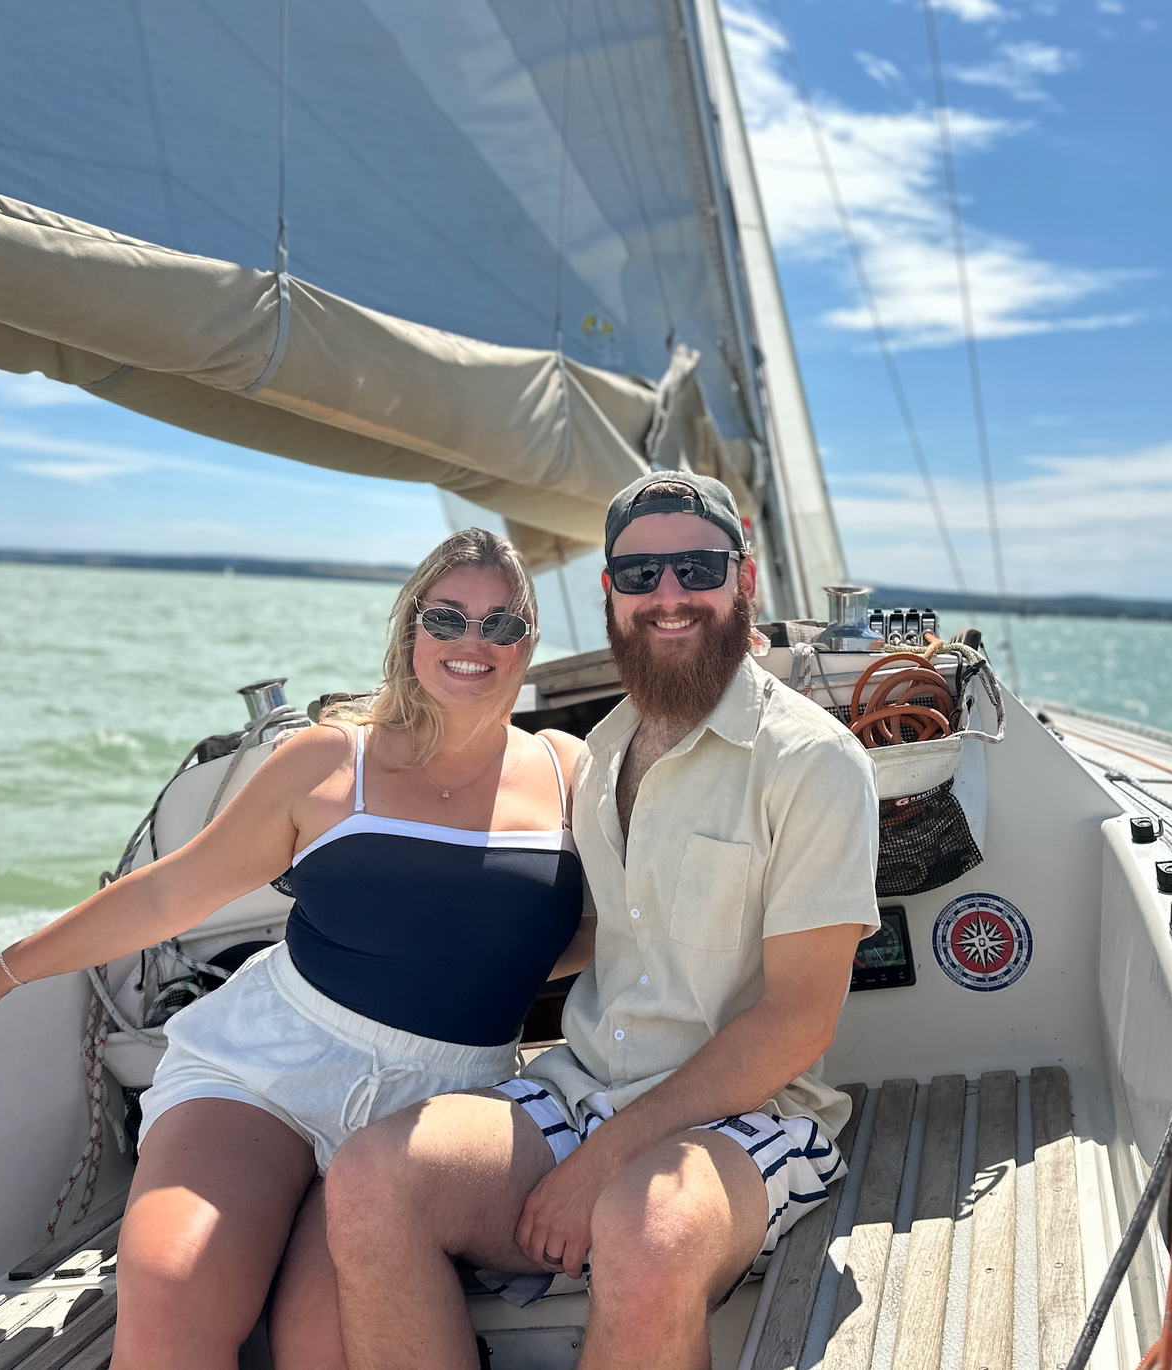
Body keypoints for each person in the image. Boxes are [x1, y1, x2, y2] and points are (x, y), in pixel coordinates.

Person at [0, 528, 593, 1370]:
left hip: (439, 1104)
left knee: (326, 1346)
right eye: (448, 617)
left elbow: (614, 930)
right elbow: (170, 891)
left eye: (501, 625)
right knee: (174, 1281)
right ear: (410, 632)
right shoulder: (328, 761)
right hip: (271, 1067)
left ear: (529, 643)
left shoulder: (571, 771)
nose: (474, 643)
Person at [316, 472, 880, 1370]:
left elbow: (799, 1021)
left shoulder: (813, 764)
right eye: (640, 571)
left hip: (752, 1114)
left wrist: (605, 1161)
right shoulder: (607, 746)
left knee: (646, 1233)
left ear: (745, 580)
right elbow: (600, 931)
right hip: (584, 1084)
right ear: (609, 591)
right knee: (372, 1179)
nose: (668, 595)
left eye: (696, 567)